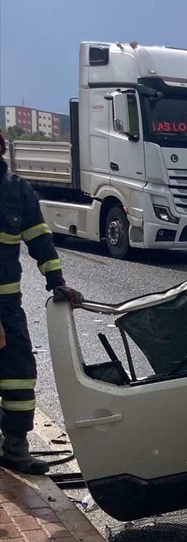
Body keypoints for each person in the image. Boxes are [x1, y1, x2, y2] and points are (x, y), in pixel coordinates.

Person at [0, 130, 83, 473]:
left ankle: (15, 448)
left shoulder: (17, 191)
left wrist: (58, 282)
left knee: (19, 375)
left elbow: (40, 239)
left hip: (8, 305)